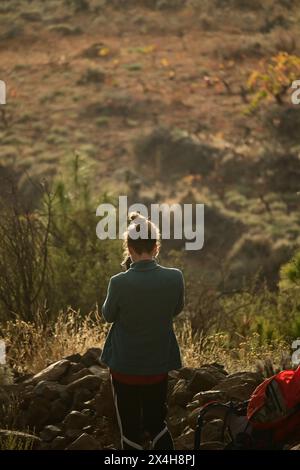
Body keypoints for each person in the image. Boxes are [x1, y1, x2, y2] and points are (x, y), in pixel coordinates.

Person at [100, 212, 185, 450]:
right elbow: (175, 309)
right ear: (156, 247)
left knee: (129, 429)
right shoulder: (174, 278)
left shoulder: (118, 282)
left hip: (124, 367)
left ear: (128, 247)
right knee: (157, 423)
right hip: (157, 366)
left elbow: (108, 316)